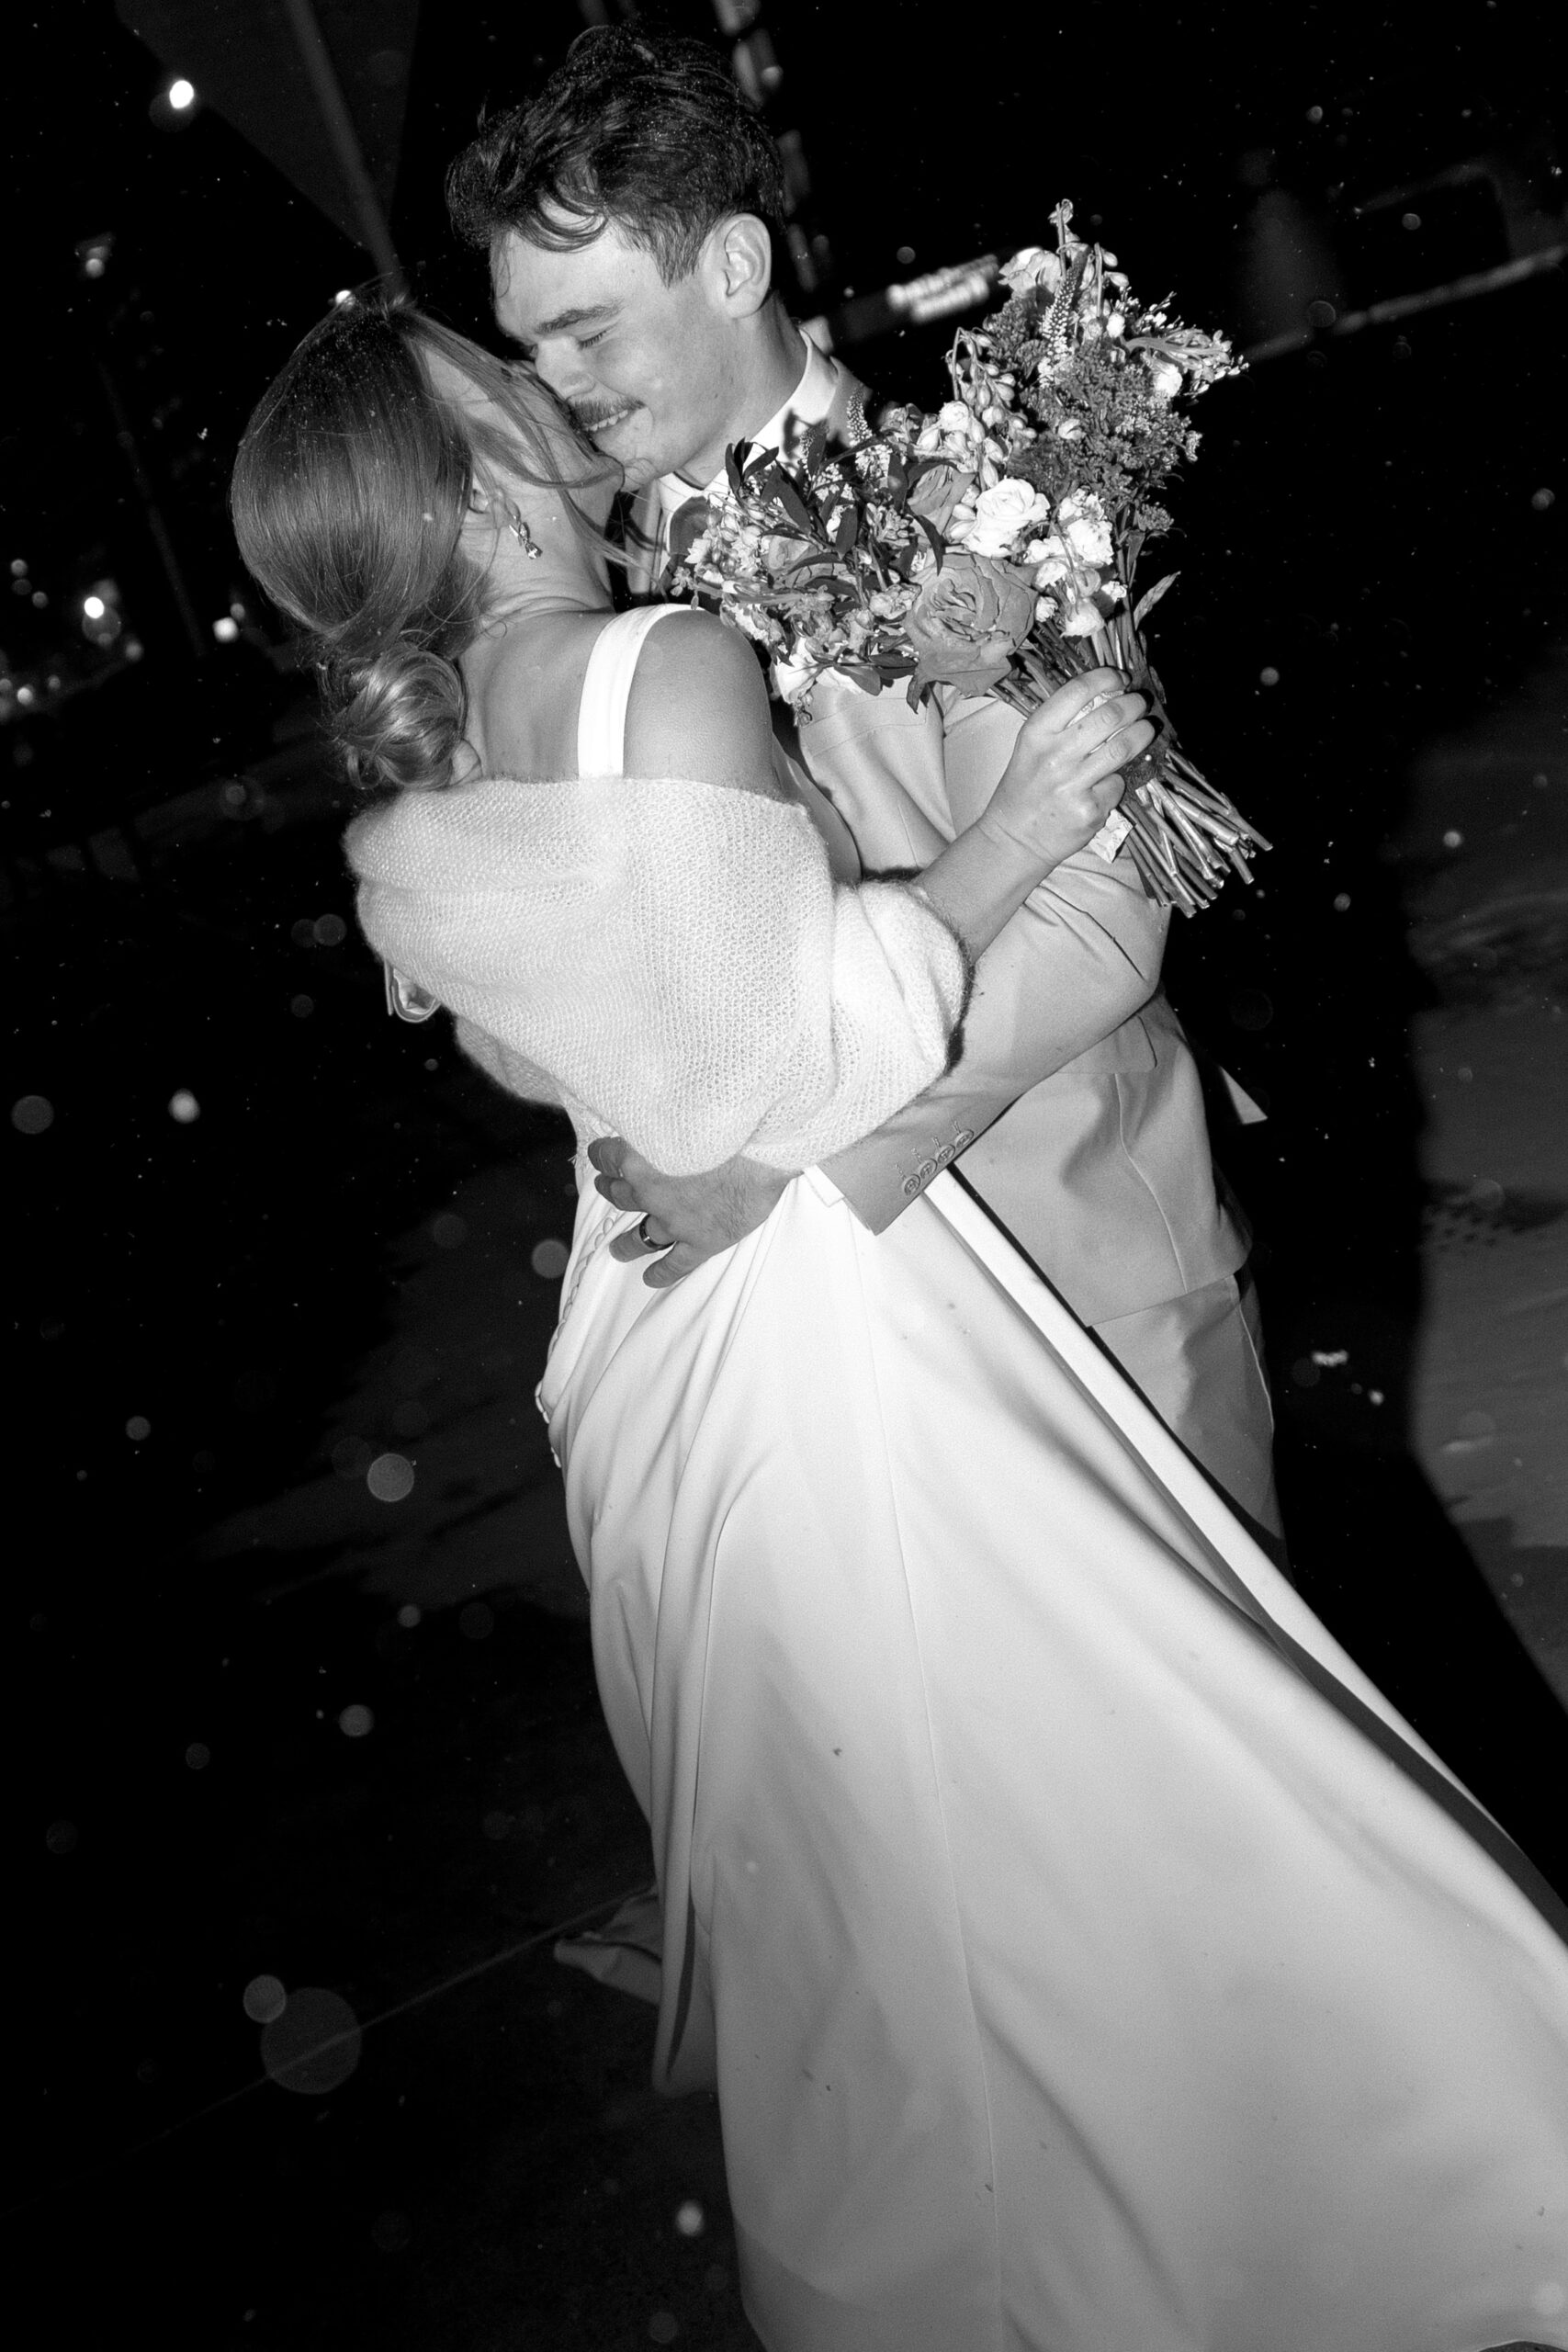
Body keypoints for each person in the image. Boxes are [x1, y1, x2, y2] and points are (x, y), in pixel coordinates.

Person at [231, 299, 1568, 2352]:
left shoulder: (447, 766)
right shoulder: (653, 663)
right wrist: (1028, 817)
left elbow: (600, 1053)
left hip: (647, 1348)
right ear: (472, 476)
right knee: (1104, 1791)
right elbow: (802, 1049)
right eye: (506, 383)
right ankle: (1311, 2210)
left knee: (888, 1890)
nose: (548, 397)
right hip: (811, 1314)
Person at [446, 24, 1282, 1550]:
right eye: (529, 346)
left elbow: (1105, 929)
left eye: (590, 331)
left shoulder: (986, 496)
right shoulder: (598, 592)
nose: (552, 387)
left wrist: (796, 1162)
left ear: (736, 268)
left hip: (1078, 1268)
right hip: (827, 1362)